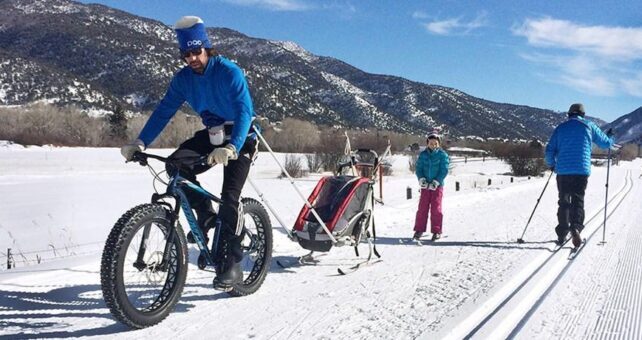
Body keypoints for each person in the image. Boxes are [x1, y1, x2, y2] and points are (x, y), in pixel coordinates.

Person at [120, 16, 257, 288]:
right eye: (186, 54)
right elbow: (163, 112)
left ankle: (231, 261)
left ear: (207, 48)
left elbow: (244, 111)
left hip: (242, 136)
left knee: (230, 195)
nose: (192, 58)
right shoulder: (183, 79)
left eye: (197, 51)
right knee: (175, 166)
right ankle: (206, 215)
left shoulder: (229, 72)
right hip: (213, 133)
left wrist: (233, 146)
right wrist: (140, 142)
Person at [545, 103, 613, 247]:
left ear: (569, 114)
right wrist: (610, 137)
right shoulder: (589, 126)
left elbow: (550, 150)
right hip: (581, 170)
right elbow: (606, 144)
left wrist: (551, 164)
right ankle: (575, 227)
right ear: (583, 114)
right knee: (578, 200)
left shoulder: (561, 128)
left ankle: (562, 233)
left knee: (563, 202)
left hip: (563, 171)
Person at [413, 132, 449, 241]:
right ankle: (419, 229)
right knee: (422, 208)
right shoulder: (423, 155)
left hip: (436, 186)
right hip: (425, 186)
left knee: (436, 209)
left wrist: (437, 181)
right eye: (431, 143)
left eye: (435, 143)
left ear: (438, 143)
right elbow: (419, 169)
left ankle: (436, 231)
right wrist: (421, 179)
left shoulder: (442, 155)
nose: (433, 145)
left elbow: (444, 170)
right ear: (427, 143)